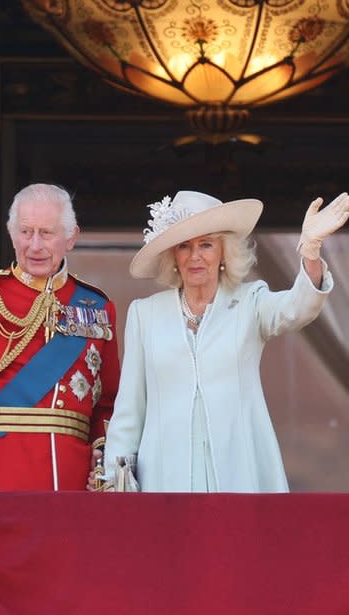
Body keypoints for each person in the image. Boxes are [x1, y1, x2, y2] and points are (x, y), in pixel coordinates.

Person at [100, 190, 349, 493]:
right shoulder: (145, 314)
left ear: (223, 252)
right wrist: (116, 480)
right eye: (184, 246)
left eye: (206, 244)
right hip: (165, 477)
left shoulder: (249, 302)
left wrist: (310, 251)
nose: (195, 256)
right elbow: (130, 409)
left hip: (239, 472)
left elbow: (297, 308)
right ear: (173, 256)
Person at [0, 183, 121, 492]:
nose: (34, 245)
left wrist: (103, 466)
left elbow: (108, 403)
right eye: (25, 232)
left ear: (71, 237)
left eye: (46, 233)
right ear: (11, 233)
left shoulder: (97, 307)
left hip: (74, 483)